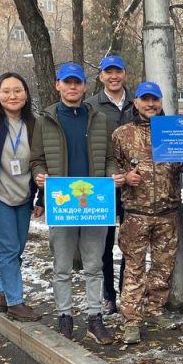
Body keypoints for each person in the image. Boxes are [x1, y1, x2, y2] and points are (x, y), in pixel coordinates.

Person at [31, 62, 116, 345]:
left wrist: (111, 176)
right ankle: (64, 316)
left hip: (95, 203)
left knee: (94, 265)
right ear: (58, 85)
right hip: (62, 202)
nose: (72, 87)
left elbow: (110, 158)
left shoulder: (99, 118)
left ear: (84, 86)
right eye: (67, 82)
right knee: (62, 266)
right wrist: (38, 175)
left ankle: (94, 318)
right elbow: (37, 159)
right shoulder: (46, 120)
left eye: (77, 82)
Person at [113, 81, 183, 344]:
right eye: (145, 99)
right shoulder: (121, 134)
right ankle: (131, 321)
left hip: (167, 212)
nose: (150, 104)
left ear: (161, 102)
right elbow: (111, 168)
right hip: (136, 213)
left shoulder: (173, 130)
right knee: (134, 269)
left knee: (163, 267)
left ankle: (154, 310)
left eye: (155, 100)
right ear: (135, 102)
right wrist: (124, 177)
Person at [0, 73, 43, 323]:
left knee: (16, 250)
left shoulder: (34, 123)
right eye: (6, 91)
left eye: (17, 90)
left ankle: (3, 293)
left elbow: (41, 162)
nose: (12, 96)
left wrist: (41, 200)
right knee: (7, 250)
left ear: (26, 94)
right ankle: (16, 303)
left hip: (23, 197)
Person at [86, 54, 133, 316]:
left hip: (134, 186)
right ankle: (108, 295)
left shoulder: (137, 104)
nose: (114, 77)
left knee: (130, 241)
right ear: (101, 76)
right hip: (102, 185)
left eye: (118, 71)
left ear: (124, 74)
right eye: (108, 72)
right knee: (102, 242)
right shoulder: (91, 106)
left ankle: (127, 290)